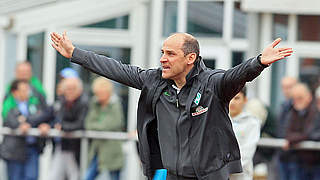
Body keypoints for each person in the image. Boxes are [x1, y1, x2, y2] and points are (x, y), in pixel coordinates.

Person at [50, 31, 293, 180]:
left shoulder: (212, 84)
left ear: (190, 58)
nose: (162, 59)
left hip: (209, 176)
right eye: (162, 52)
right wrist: (75, 54)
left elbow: (236, 75)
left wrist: (259, 62)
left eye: (170, 54)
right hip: (172, 175)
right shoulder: (154, 80)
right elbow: (116, 69)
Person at [0, 79, 51, 180]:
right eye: (23, 90)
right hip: (14, 150)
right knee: (15, 177)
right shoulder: (8, 104)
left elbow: (42, 116)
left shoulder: (34, 103)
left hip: (32, 148)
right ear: (15, 92)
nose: (27, 93)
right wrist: (22, 123)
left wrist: (26, 121)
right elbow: (11, 120)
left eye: (27, 90)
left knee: (31, 177)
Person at [84, 77, 125, 180]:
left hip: (112, 151)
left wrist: (97, 126)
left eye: (101, 93)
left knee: (114, 177)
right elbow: (88, 123)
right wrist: (100, 126)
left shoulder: (115, 104)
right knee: (87, 176)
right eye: (97, 93)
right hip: (97, 150)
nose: (99, 96)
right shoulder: (95, 103)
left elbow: (112, 123)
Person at [49, 77, 89, 180]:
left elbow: (81, 124)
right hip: (63, 146)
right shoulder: (62, 102)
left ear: (79, 90)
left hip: (76, 148)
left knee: (74, 175)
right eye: (67, 88)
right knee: (55, 175)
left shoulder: (83, 103)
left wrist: (63, 127)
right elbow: (56, 119)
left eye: (72, 88)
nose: (69, 91)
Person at [282, 83, 320, 180]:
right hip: (296, 160)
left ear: (309, 97)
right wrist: (297, 137)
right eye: (294, 99)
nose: (296, 102)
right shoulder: (292, 111)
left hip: (315, 162)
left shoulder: (315, 112)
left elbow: (310, 133)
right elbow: (286, 133)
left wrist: (292, 140)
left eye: (300, 98)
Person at [229, 87, 260, 180]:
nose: (232, 102)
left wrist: (227, 169)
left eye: (237, 98)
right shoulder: (219, 119)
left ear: (245, 100)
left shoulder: (252, 122)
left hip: (241, 176)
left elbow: (247, 152)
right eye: (230, 98)